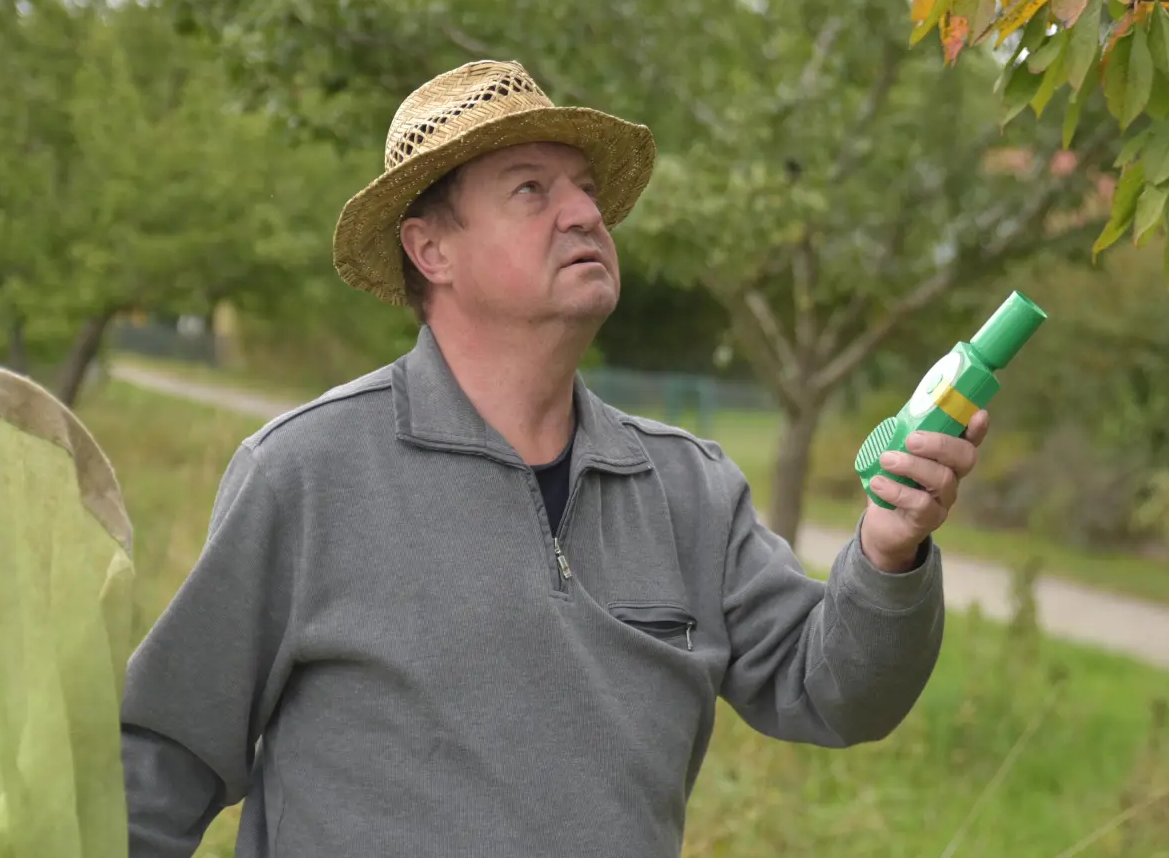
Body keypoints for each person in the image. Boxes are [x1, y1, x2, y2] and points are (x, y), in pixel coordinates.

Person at [119, 59, 988, 858]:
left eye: (582, 188)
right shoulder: (305, 474)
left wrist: (887, 552)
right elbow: (161, 763)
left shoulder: (688, 489)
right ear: (432, 249)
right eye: (530, 190)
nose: (583, 212)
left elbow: (835, 691)